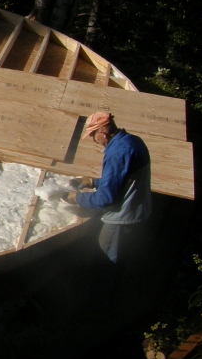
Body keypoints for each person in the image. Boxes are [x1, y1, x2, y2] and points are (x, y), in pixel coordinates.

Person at [65, 112, 152, 315]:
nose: (95, 142)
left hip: (122, 219)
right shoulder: (132, 142)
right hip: (139, 211)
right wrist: (94, 182)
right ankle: (116, 298)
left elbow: (106, 198)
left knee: (105, 265)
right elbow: (124, 178)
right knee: (123, 262)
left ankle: (97, 311)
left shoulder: (116, 153)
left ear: (103, 132)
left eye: (94, 136)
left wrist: (75, 198)